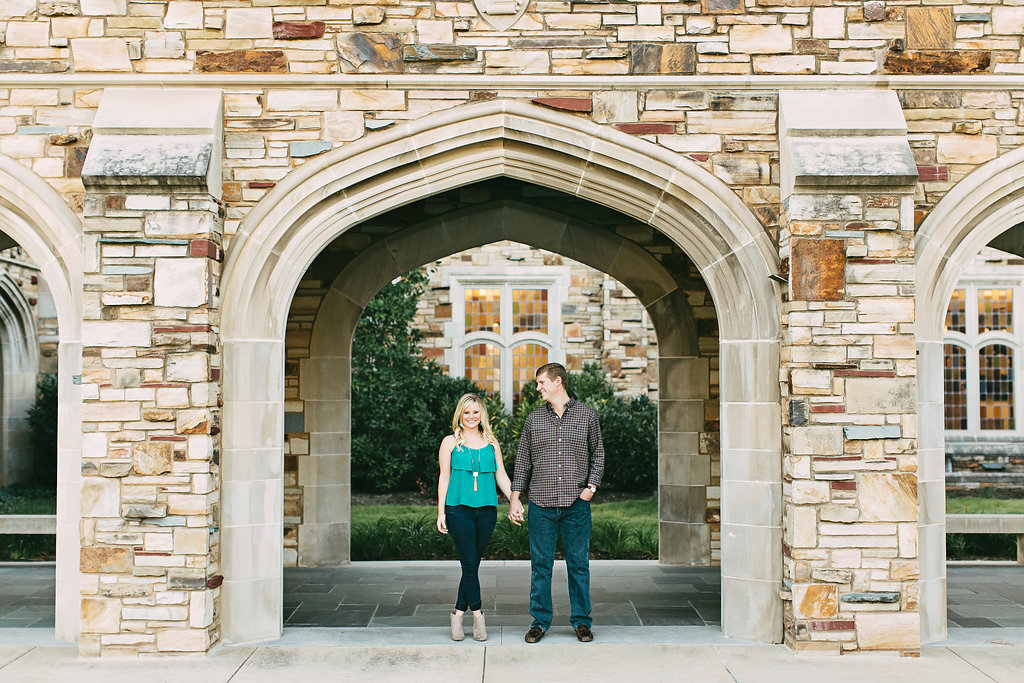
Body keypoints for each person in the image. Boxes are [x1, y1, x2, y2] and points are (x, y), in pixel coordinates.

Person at [508, 362, 604, 643]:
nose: (538, 388)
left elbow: (598, 454)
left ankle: (582, 622)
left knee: (578, 564)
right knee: (540, 566)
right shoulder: (533, 420)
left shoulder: (587, 415)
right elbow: (523, 461)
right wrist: (515, 498)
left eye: (541, 383)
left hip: (576, 504)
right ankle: (539, 622)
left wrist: (591, 487)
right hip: (541, 504)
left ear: (558, 381)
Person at [437, 393, 515, 642]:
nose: (471, 417)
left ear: (483, 415)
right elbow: (444, 478)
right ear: (460, 414)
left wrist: (515, 500)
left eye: (476, 412)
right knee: (469, 564)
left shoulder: (492, 443)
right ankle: (478, 615)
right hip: (458, 509)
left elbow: (501, 476)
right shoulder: (450, 442)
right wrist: (440, 512)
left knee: (471, 565)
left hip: (487, 511)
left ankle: (457, 612)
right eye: (467, 412)